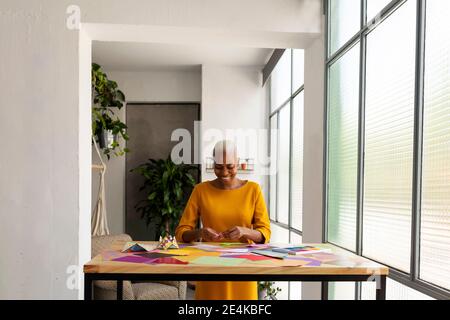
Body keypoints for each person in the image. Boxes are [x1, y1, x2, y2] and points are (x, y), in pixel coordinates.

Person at [175, 140, 271, 300]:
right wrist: (200, 232)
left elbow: (265, 234)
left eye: (230, 166)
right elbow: (181, 233)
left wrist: (245, 231)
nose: (224, 172)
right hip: (209, 264)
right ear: (212, 164)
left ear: (238, 163)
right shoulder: (200, 190)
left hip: (243, 266)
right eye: (218, 167)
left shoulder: (253, 190)